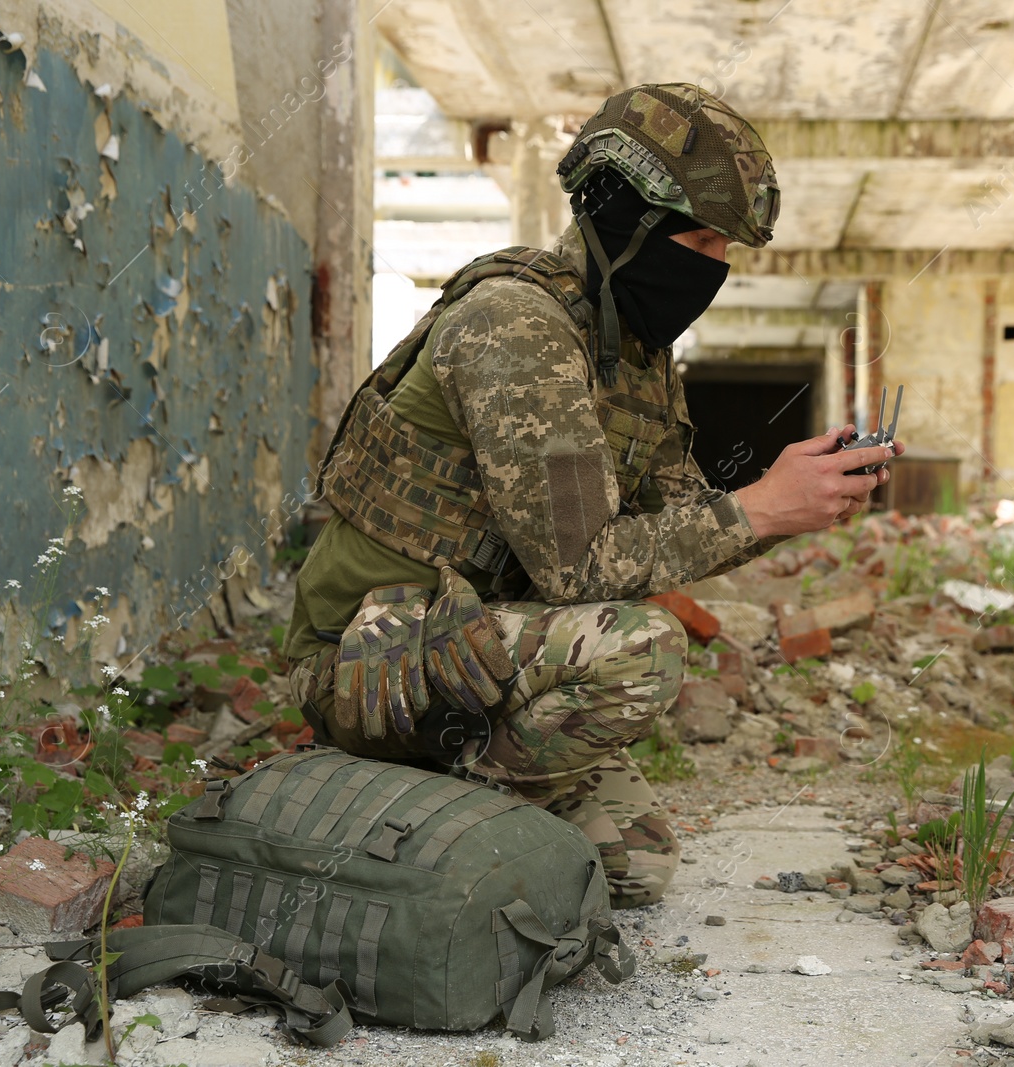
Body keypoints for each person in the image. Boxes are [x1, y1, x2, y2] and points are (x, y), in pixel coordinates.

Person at [284, 82, 902, 908]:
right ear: (628, 224)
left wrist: (792, 498)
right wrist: (759, 507)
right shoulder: (517, 326)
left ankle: (420, 803)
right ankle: (397, 829)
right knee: (644, 646)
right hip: (371, 656)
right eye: (702, 239)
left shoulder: (632, 352)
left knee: (636, 865)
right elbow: (582, 572)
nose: (715, 267)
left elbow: (674, 527)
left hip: (474, 646)